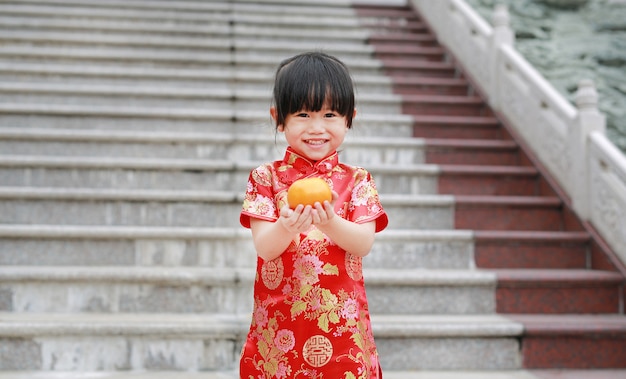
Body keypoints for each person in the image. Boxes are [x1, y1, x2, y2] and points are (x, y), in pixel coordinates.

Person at [239, 51, 389, 379]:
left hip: (342, 331)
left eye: (330, 114)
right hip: (281, 329)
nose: (317, 128)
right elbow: (265, 247)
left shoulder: (358, 179)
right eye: (304, 115)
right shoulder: (265, 178)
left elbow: (362, 243)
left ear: (349, 117)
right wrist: (286, 225)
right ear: (279, 118)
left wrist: (329, 221)